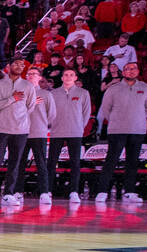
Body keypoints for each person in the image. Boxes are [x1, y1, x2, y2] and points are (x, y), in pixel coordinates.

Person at [0, 58, 35, 207]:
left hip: (20, 130)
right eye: (16, 64)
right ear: (8, 67)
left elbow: (30, 107)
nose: (19, 67)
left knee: (15, 163)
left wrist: (18, 117)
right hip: (0, 129)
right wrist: (11, 99)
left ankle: (9, 194)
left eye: (22, 65)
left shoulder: (28, 86)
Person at [94, 62, 147, 203]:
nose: (130, 71)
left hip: (137, 130)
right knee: (111, 161)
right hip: (117, 130)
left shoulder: (146, 88)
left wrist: (136, 119)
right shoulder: (113, 89)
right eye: (127, 69)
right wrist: (117, 120)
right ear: (123, 72)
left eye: (133, 69)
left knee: (132, 162)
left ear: (138, 71)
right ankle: (102, 191)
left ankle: (130, 192)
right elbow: (106, 109)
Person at [47, 69, 90, 202]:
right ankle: (47, 190)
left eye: (71, 75)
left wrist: (79, 127)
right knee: (52, 162)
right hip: (56, 131)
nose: (68, 77)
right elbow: (49, 111)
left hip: (75, 132)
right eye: (66, 74)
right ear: (62, 78)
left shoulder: (83, 93)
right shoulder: (53, 93)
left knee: (75, 162)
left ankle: (74, 191)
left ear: (76, 77)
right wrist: (50, 125)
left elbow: (86, 113)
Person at [17, 67, 55, 204]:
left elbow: (52, 114)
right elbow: (16, 112)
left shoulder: (46, 94)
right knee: (19, 163)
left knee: (41, 163)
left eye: (34, 74)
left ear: (40, 77)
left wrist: (43, 125)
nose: (31, 76)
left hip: (39, 132)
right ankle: (17, 191)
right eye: (28, 74)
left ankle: (44, 192)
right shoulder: (20, 94)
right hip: (21, 132)